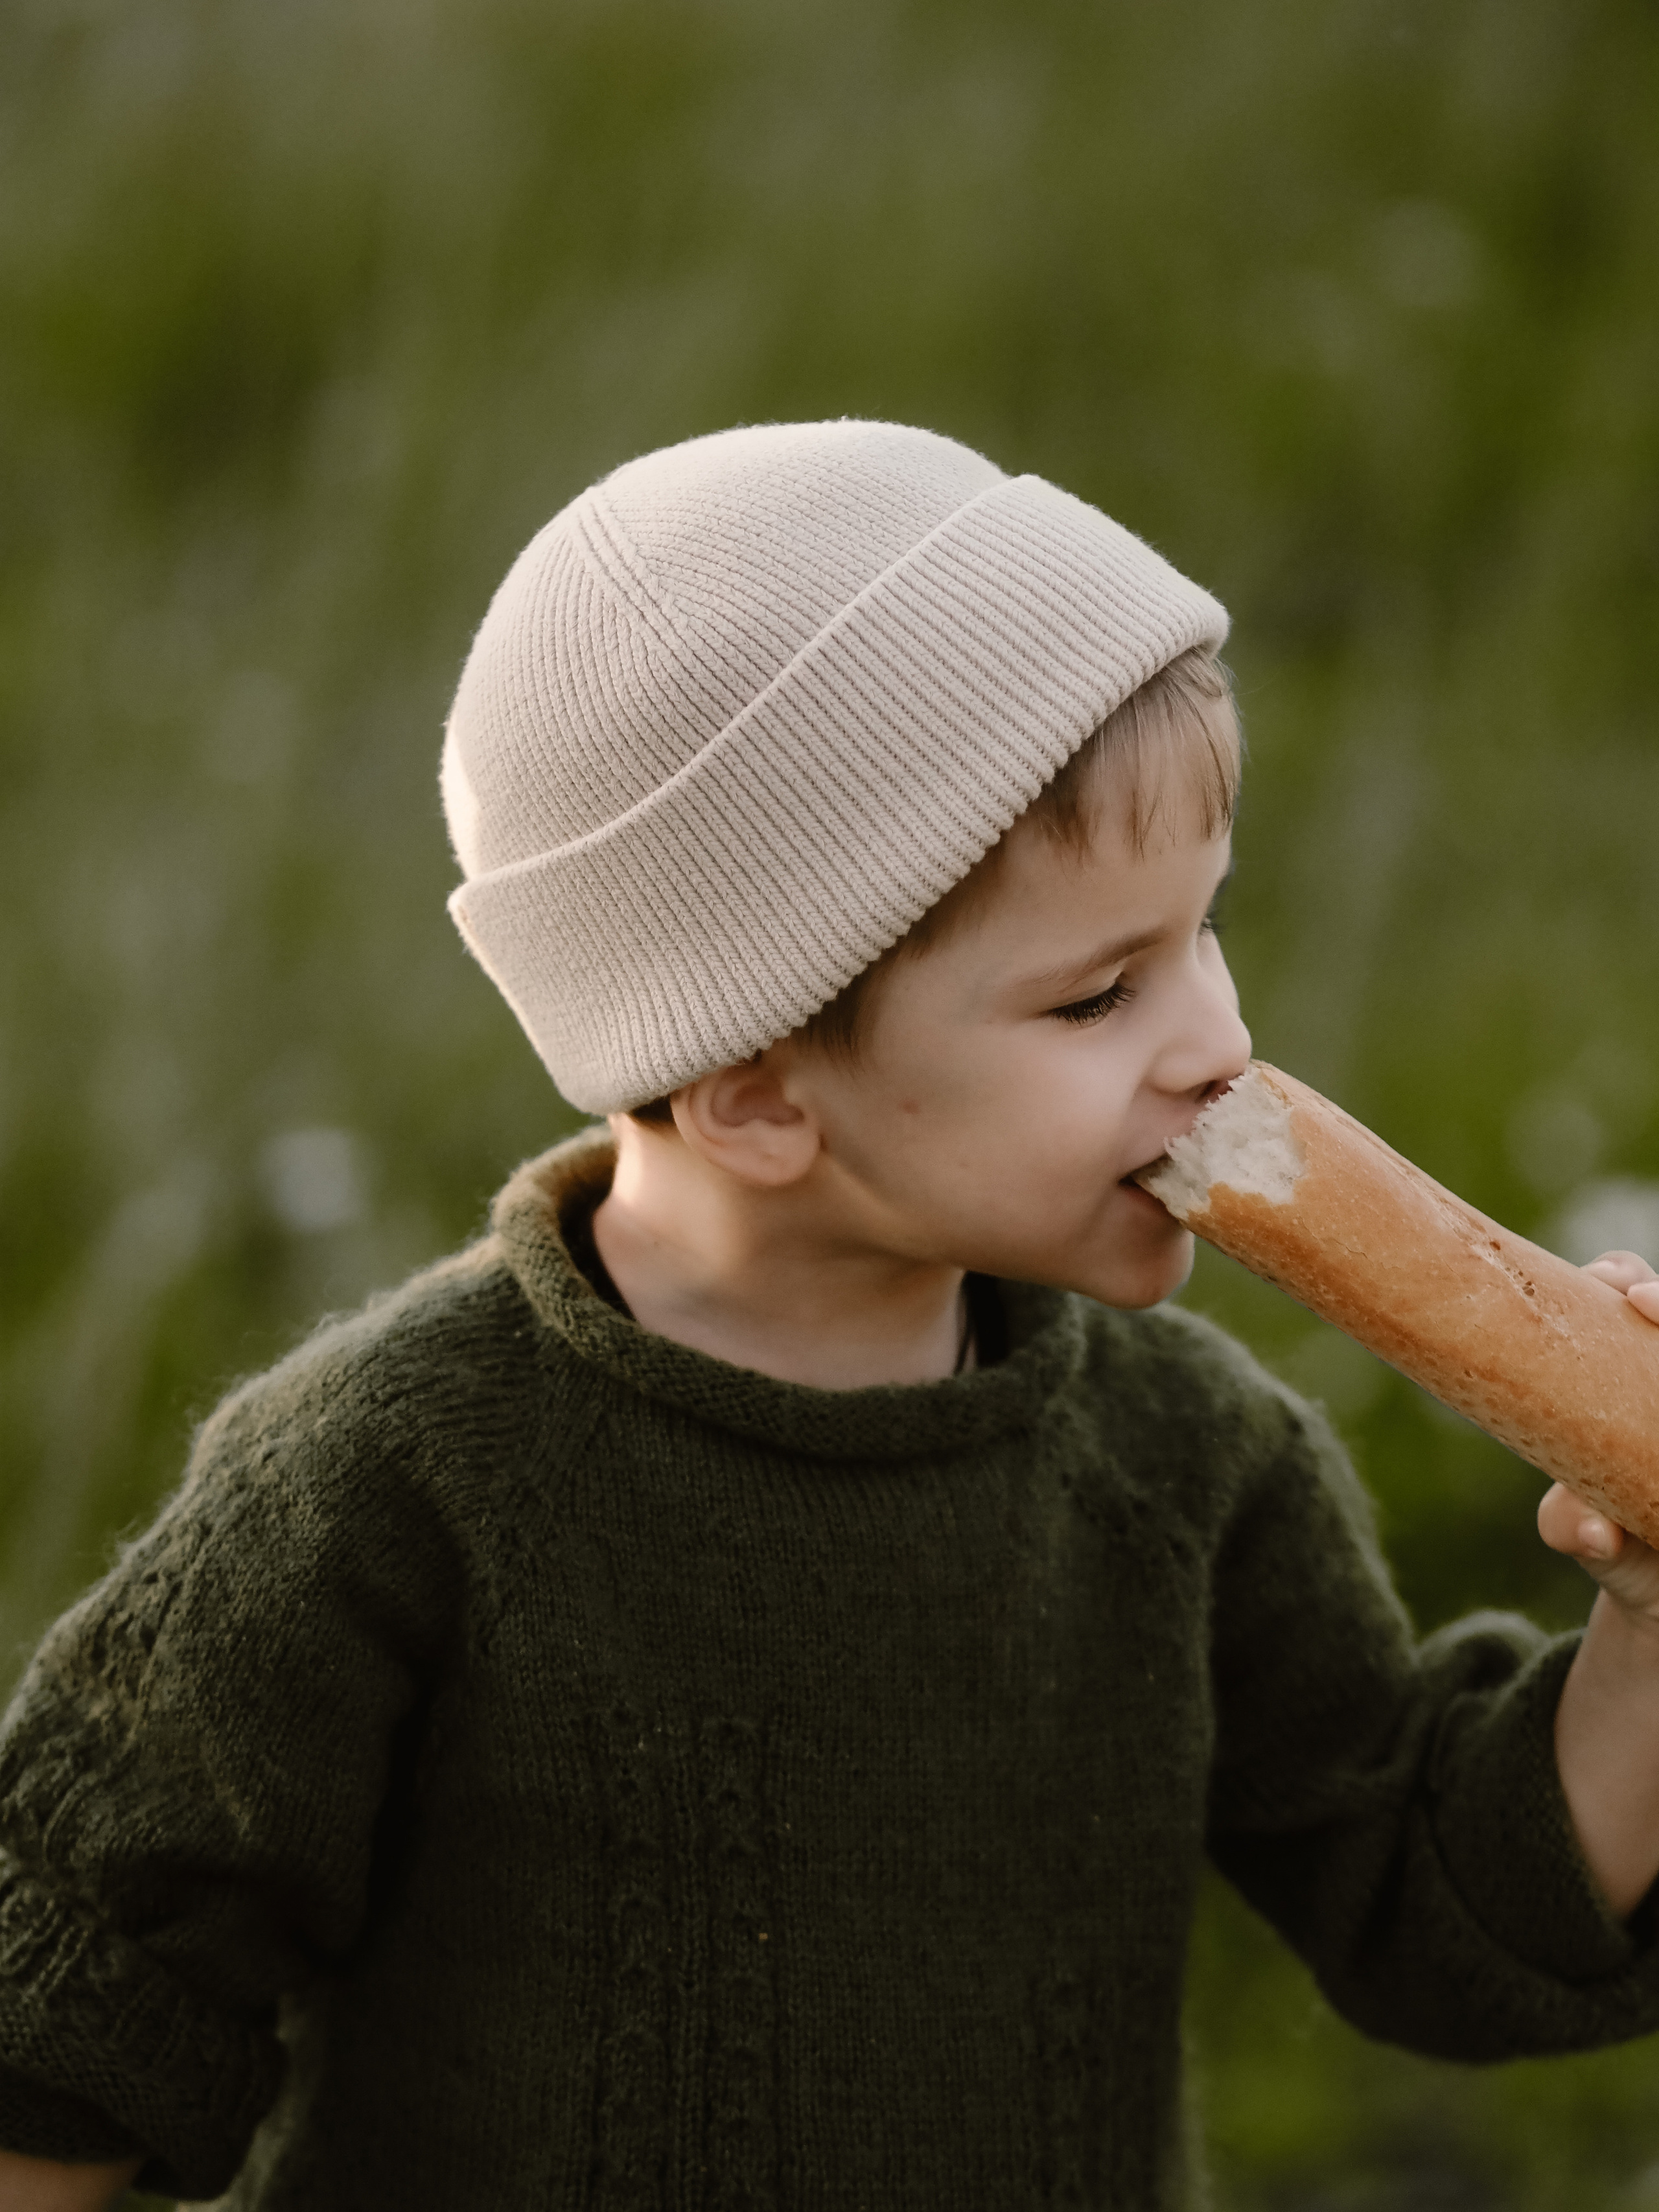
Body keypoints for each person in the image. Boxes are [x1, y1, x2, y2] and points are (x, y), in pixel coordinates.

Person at [3, 420, 1659, 2212]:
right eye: (1099, 995)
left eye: (1204, 934)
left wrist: (1648, 1635)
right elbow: (85, 1988)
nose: (1217, 1043)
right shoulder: (392, 1485)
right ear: (760, 1095)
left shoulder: (1179, 1459)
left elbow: (1432, 1885)